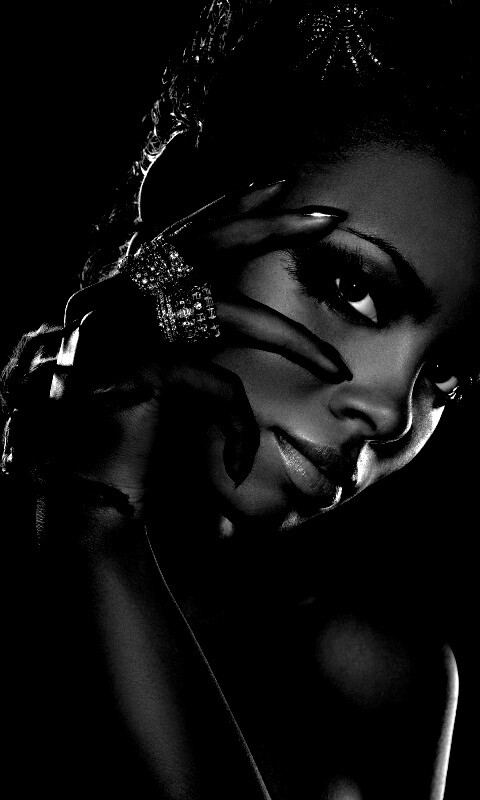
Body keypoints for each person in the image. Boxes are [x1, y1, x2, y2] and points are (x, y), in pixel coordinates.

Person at [2, 1, 478, 798]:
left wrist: (96, 526)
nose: (393, 411)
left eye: (448, 373)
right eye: (353, 286)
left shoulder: (374, 679)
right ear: (182, 199)